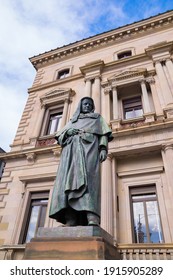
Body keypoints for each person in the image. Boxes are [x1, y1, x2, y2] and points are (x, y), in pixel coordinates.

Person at [49, 97, 113, 226]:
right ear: (80, 106)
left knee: (90, 181)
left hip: (89, 150)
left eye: (90, 104)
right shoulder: (73, 120)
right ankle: (70, 218)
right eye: (85, 104)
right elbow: (60, 136)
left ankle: (92, 216)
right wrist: (68, 132)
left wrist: (103, 148)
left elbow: (104, 135)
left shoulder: (97, 118)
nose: (87, 106)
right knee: (68, 182)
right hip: (70, 153)